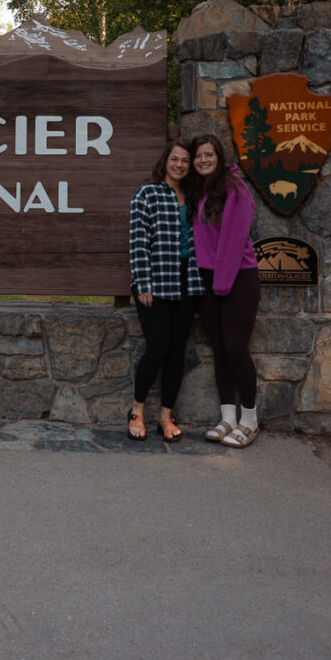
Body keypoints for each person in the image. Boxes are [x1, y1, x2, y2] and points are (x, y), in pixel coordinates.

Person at [128, 140, 204, 442]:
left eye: (185, 160)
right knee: (157, 347)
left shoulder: (196, 196)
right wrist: (142, 283)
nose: (180, 165)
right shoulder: (147, 193)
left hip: (188, 281)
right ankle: (137, 410)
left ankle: (165, 416)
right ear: (166, 161)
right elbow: (137, 241)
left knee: (176, 353)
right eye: (175, 159)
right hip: (155, 282)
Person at [188, 132, 261, 448]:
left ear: (219, 157)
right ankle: (227, 418)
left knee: (235, 348)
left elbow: (233, 240)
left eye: (209, 154)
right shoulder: (202, 191)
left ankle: (249, 420)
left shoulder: (235, 188)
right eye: (198, 156)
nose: (203, 160)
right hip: (208, 279)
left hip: (238, 278)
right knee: (219, 348)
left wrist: (220, 284)